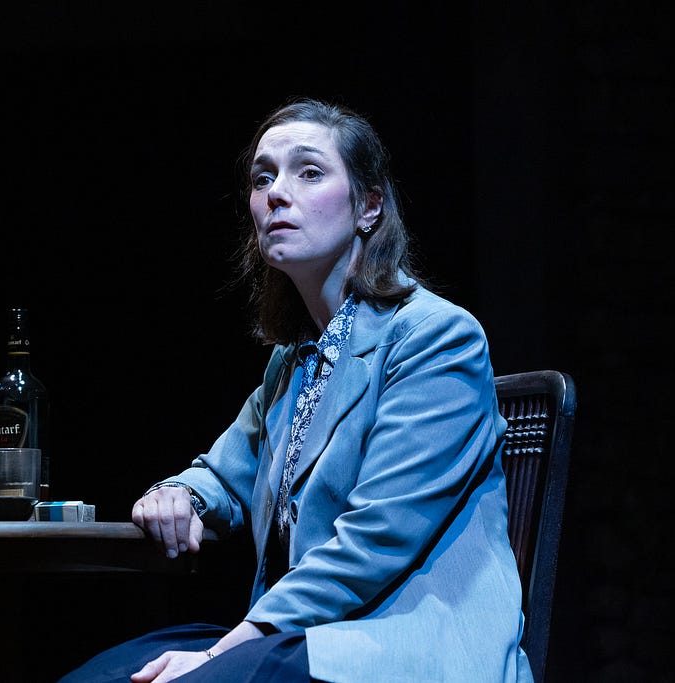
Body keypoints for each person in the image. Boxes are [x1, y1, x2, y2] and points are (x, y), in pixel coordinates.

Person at [59, 97, 533, 683]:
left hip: (401, 640)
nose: (277, 193)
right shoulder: (295, 360)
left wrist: (223, 651)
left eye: (309, 172)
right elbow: (225, 472)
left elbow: (374, 542)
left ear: (369, 206)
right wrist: (178, 492)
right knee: (98, 676)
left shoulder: (436, 338)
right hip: (311, 635)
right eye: (264, 178)